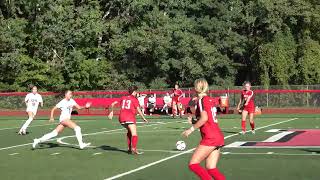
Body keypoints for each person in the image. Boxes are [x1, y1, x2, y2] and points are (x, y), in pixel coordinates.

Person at [182, 78, 225, 180]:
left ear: (197, 88)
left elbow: (204, 118)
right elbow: (207, 117)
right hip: (218, 136)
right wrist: (194, 121)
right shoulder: (209, 99)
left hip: (210, 137)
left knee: (193, 164)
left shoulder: (202, 100)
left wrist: (190, 129)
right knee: (211, 168)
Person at [108, 86, 148, 155]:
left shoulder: (123, 97)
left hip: (121, 118)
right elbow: (138, 110)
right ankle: (134, 148)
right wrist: (144, 118)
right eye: (136, 91)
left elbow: (112, 104)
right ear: (134, 92)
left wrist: (111, 112)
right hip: (129, 117)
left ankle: (129, 149)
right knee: (134, 134)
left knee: (129, 132)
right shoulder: (134, 99)